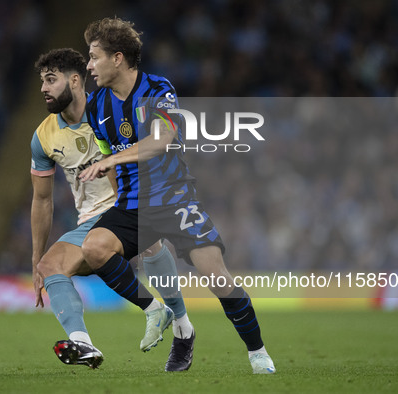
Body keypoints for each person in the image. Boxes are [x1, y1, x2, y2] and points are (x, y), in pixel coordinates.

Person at [79, 18, 276, 374]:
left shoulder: (158, 89)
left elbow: (160, 141)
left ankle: (257, 351)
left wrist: (110, 159)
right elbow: (108, 159)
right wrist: (113, 188)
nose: (89, 65)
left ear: (118, 58)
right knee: (93, 248)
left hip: (174, 200)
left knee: (218, 278)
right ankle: (159, 311)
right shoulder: (96, 107)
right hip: (132, 206)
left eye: (94, 57)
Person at [30, 48, 195, 371]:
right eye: (42, 81)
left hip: (131, 205)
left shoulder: (111, 108)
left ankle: (181, 324)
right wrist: (36, 258)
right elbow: (42, 200)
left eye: (51, 80)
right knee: (51, 266)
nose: (43, 89)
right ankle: (84, 344)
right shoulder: (43, 137)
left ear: (75, 80)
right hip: (91, 221)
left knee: (150, 243)